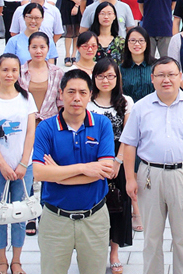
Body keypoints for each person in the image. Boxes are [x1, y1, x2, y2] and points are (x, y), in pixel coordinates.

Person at [121, 58, 183, 274]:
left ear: (180, 77)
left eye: (171, 74)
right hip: (150, 175)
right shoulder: (141, 107)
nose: (166, 80)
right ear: (152, 78)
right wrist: (130, 178)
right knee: (151, 238)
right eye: (160, 75)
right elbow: (129, 144)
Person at [32, 68, 117, 274]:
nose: (76, 98)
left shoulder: (102, 124)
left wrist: (59, 175)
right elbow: (39, 173)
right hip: (55, 219)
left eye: (82, 92)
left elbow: (104, 171)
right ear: (60, 94)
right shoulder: (46, 128)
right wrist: (84, 168)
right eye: (71, 92)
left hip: (94, 218)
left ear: (90, 95)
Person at [0, 55, 37, 274]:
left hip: (24, 167)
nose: (9, 74)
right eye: (5, 70)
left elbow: (31, 132)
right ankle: (2, 260)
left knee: (21, 214)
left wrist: (23, 162)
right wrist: (2, 164)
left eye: (14, 70)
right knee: (0, 214)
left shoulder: (26, 98)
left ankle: (17, 260)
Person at [79, 60, 133, 274]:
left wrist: (117, 161)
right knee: (91, 206)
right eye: (101, 76)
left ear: (117, 78)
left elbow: (128, 137)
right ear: (94, 78)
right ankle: (93, 251)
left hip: (117, 161)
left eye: (110, 76)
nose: (106, 80)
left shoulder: (126, 102)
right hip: (91, 158)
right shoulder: (87, 102)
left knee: (116, 207)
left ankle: (114, 253)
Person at [23, 31, 66, 121]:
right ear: (28, 48)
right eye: (34, 47)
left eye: (42, 47)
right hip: (25, 122)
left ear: (48, 48)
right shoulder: (20, 72)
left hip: (50, 124)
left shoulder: (57, 73)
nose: (38, 51)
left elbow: (61, 102)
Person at [121, 27, 156, 101]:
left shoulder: (156, 66)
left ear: (147, 43)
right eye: (133, 40)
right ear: (127, 43)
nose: (137, 44)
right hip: (129, 109)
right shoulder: (121, 69)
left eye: (141, 40)